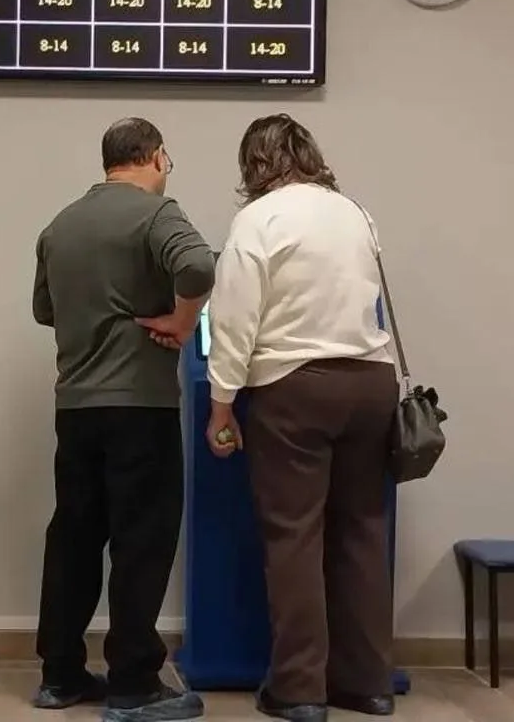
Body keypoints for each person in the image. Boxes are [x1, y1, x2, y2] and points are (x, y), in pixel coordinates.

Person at [201, 115, 397, 722]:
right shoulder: (355, 213)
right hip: (372, 382)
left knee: (295, 537)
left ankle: (299, 688)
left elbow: (235, 317)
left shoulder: (259, 219)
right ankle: (368, 684)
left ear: (254, 163)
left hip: (295, 388)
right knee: (363, 533)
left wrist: (221, 403)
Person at [33, 117, 215, 722]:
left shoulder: (60, 225)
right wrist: (183, 322)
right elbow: (199, 266)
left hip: (76, 410)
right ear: (157, 157)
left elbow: (44, 309)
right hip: (141, 405)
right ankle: (134, 684)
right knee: (142, 542)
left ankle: (59, 676)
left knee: (74, 540)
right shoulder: (156, 214)